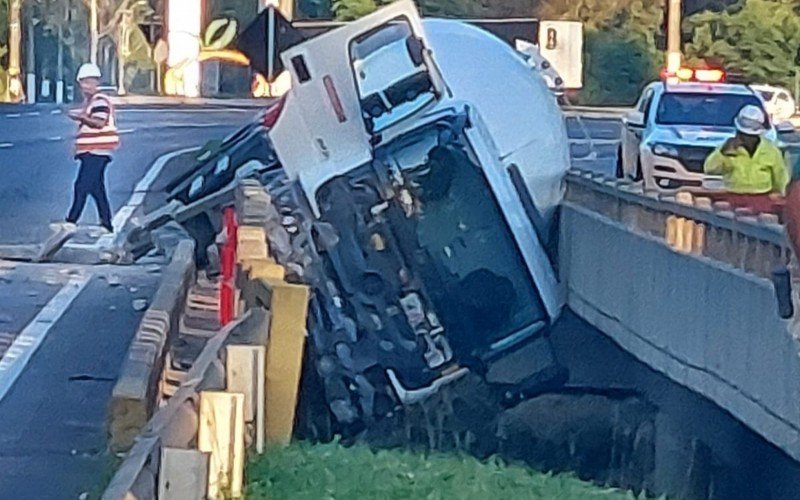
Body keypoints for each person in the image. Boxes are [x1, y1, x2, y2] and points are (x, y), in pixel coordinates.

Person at [64, 63, 120, 232]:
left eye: (90, 82)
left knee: (81, 186)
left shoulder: (99, 100)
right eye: (83, 82)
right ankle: (106, 223)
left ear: (96, 82)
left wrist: (80, 117)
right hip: (92, 151)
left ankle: (70, 221)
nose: (86, 86)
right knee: (96, 189)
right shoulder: (91, 101)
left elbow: (99, 122)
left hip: (98, 151)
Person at [703, 104, 788, 214]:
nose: (745, 138)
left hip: (762, 201)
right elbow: (709, 168)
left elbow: (781, 179)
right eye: (742, 134)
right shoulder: (728, 148)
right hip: (732, 199)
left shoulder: (771, 151)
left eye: (749, 135)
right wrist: (723, 153)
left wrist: (781, 197)